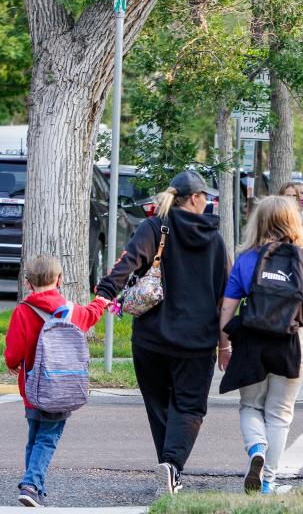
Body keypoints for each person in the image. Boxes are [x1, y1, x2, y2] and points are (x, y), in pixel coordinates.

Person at [96, 170, 228, 495]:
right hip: (197, 342)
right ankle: (171, 467)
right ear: (195, 198)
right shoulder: (215, 239)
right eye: (206, 196)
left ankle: (168, 472)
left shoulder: (153, 227)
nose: (208, 201)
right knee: (190, 407)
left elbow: (127, 263)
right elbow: (225, 295)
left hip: (151, 339)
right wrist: (225, 343)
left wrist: (102, 296)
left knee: (158, 405)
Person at [217, 195, 303, 495]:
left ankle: (256, 448)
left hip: (253, 340)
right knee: (280, 412)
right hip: (294, 341)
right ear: (293, 221)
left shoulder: (247, 259)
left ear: (259, 221)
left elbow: (228, 308)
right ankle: (267, 482)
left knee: (251, 405)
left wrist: (223, 346)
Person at [5, 255, 110, 507]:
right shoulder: (72, 311)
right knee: (47, 438)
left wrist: (12, 364)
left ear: (28, 284)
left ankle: (34, 485)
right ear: (60, 280)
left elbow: (14, 350)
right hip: (62, 387)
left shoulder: (23, 310)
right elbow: (90, 315)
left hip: (32, 387)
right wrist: (101, 302)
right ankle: (31, 485)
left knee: (35, 437)